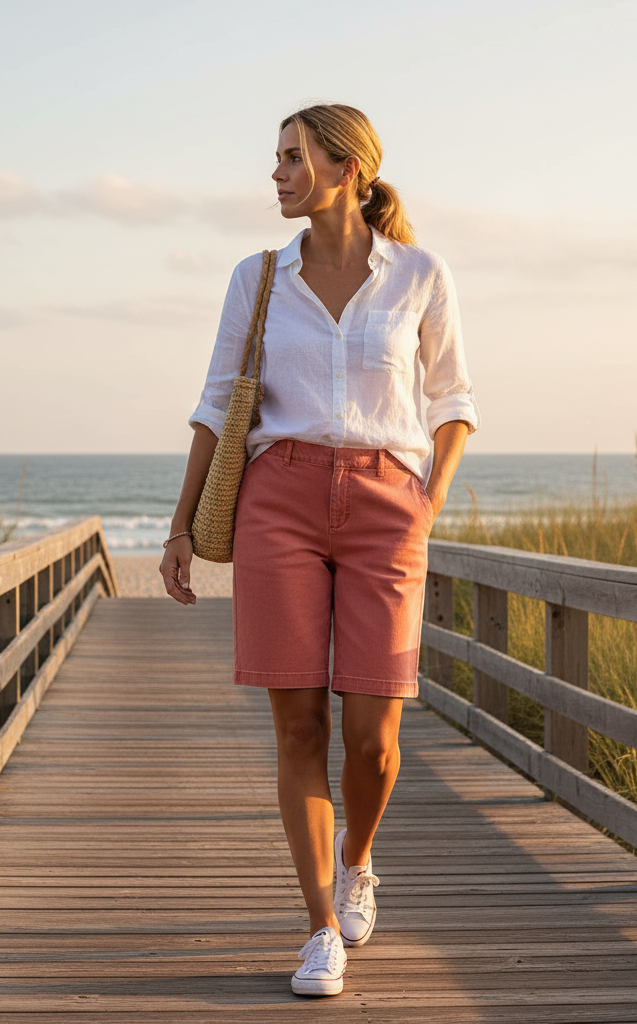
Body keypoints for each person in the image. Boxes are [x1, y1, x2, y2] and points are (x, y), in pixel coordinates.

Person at [160, 103, 479, 997]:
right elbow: (218, 401)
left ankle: (359, 858)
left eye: (292, 157)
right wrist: (181, 527)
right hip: (280, 500)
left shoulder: (419, 273)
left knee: (376, 741)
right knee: (299, 727)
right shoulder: (257, 277)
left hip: (388, 502)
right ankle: (319, 928)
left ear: (348, 170)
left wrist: (427, 499)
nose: (276, 174)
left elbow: (455, 401)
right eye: (276, 158)